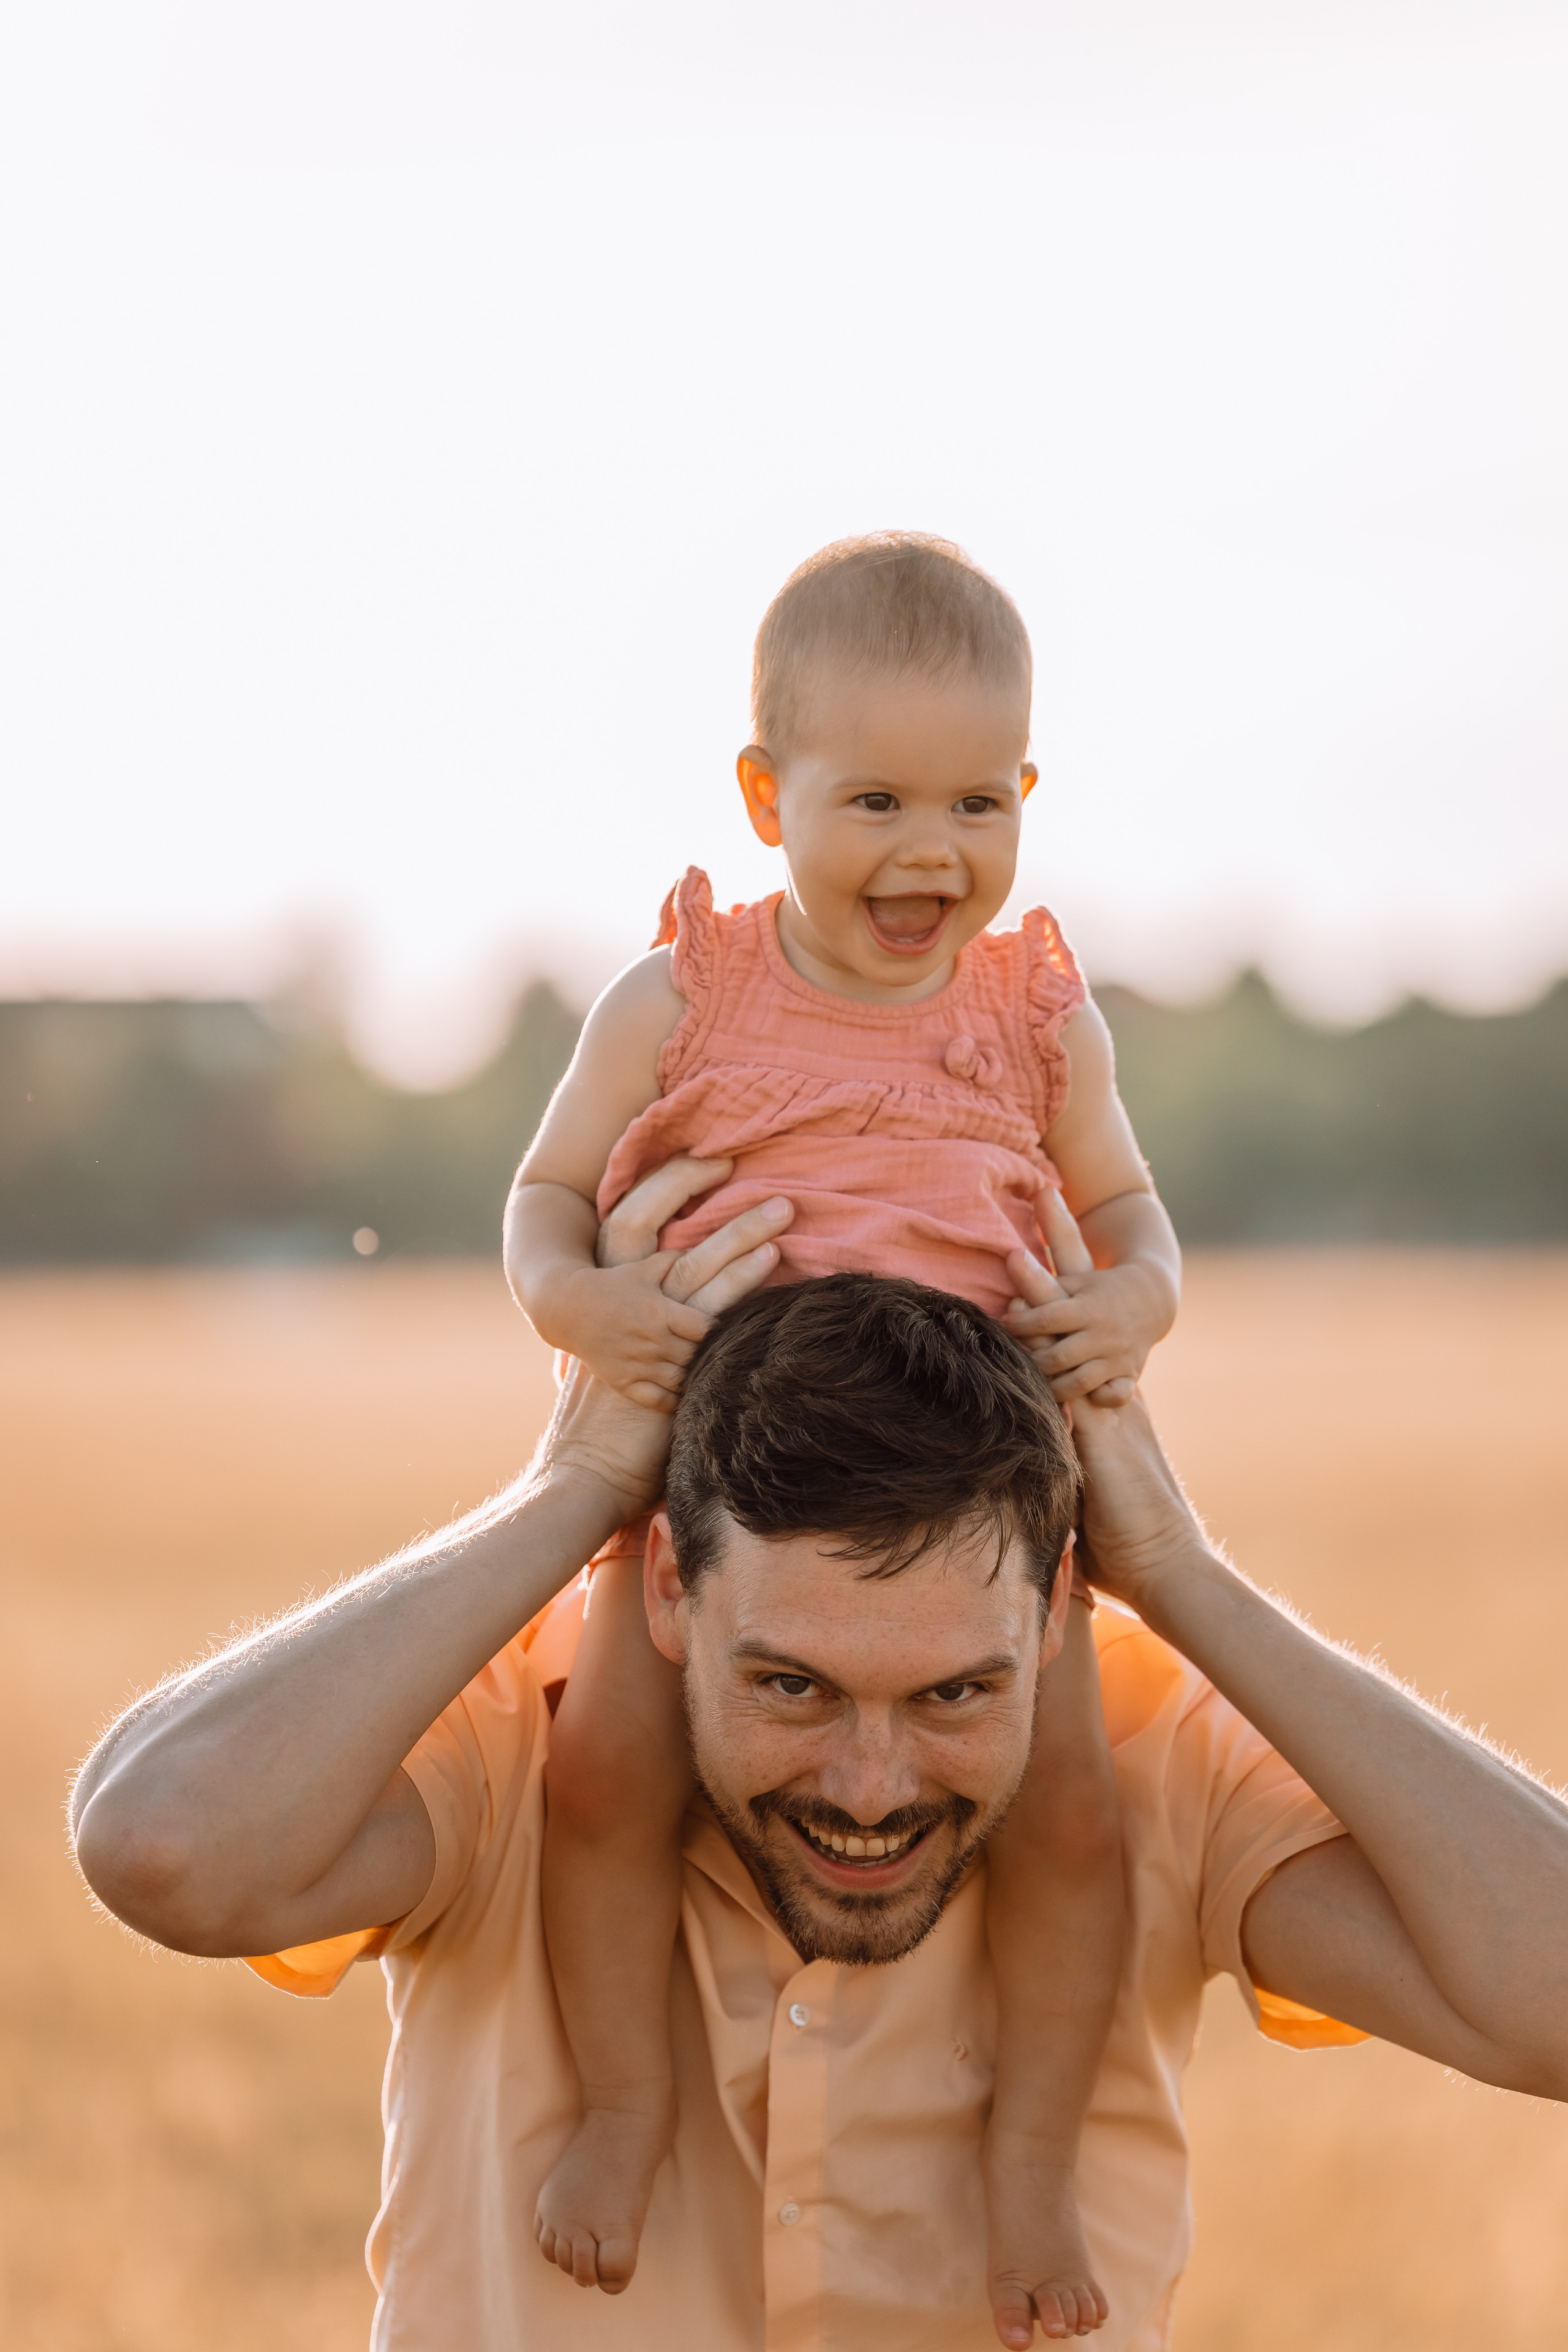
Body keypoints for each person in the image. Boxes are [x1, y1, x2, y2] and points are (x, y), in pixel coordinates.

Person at [70, 1197, 1568, 2352]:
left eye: (954, 1693)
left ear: (1053, 1613)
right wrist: (568, 1490)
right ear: (666, 1588)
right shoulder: (508, 1744)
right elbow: (164, 1848)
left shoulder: (1149, 1776)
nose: (868, 1786)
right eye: (790, 1684)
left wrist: (1180, 1574)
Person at [504, 532, 1182, 2340]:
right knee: (604, 1779)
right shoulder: (683, 996)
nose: (930, 852)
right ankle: (626, 2114)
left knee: (1067, 1824)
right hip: (716, 1484)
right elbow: (546, 1200)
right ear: (763, 794)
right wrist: (591, 1314)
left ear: (1028, 796)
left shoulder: (1039, 1018)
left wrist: (1132, 1307)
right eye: (873, 798)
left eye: (979, 800)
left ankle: (1029, 2175)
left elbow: (1132, 1219)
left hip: (983, 1493)